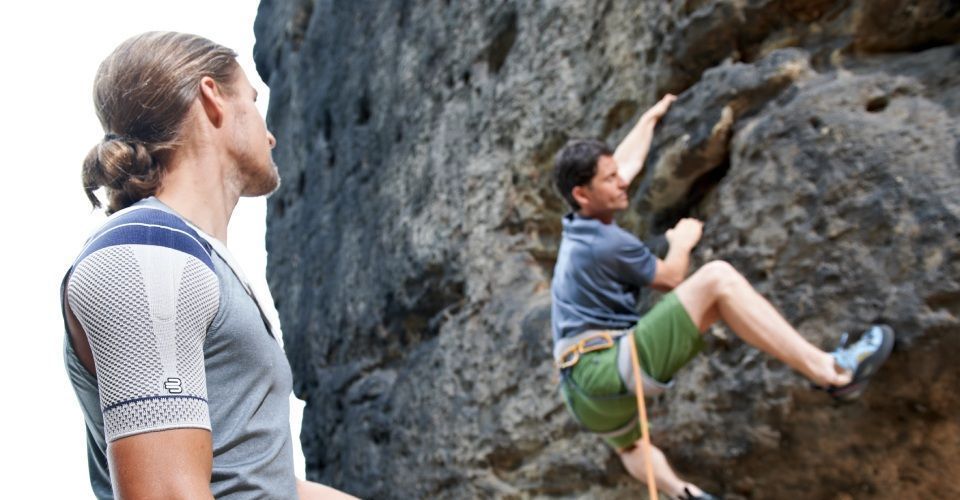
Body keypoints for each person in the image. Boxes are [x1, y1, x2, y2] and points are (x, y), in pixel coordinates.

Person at [550, 94, 894, 499]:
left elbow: (625, 165)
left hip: (582, 393)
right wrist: (682, 240)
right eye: (609, 180)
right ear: (582, 194)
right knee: (716, 280)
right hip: (606, 366)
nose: (621, 181)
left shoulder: (578, 225)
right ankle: (833, 371)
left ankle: (682, 494)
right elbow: (672, 277)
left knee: (631, 445)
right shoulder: (605, 243)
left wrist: (649, 119)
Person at [61, 32, 353, 499]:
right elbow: (167, 494)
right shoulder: (143, 255)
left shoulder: (187, 258)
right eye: (254, 102)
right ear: (212, 97)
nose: (271, 134)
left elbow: (257, 479)